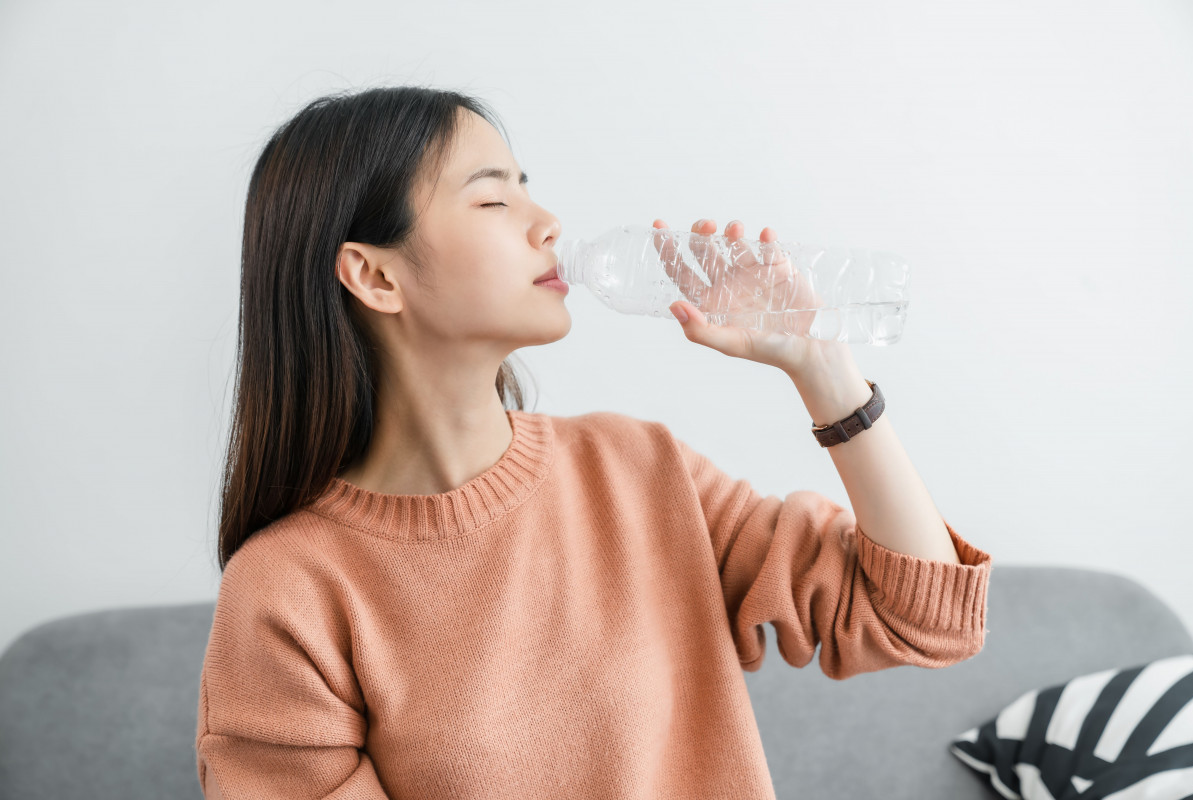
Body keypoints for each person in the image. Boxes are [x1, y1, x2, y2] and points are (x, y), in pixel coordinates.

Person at [195, 84, 993, 799]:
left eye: (528, 190)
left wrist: (825, 372)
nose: (548, 226)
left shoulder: (638, 470)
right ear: (374, 277)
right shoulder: (288, 591)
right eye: (492, 202)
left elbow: (922, 622)